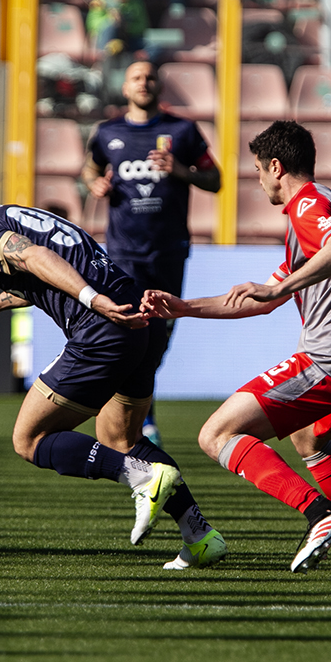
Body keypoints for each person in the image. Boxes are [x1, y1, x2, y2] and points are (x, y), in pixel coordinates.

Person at [0, 185, 227, 570]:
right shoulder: (3, 214)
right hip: (137, 318)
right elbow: (44, 269)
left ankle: (142, 478)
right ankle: (199, 536)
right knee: (121, 438)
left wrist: (92, 300)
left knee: (28, 439)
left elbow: (37, 257)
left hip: (101, 326)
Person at [141, 120, 331, 574]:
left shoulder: (307, 205)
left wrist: (282, 286)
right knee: (309, 436)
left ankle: (319, 513)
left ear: (276, 167)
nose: (259, 180)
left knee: (215, 435)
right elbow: (262, 299)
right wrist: (183, 308)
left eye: (259, 170)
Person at [82, 60, 221, 446]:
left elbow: (215, 180)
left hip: (169, 252)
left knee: (159, 340)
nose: (143, 82)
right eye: (136, 77)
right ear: (125, 88)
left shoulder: (182, 131)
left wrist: (181, 171)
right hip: (124, 254)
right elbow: (90, 169)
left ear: (159, 86)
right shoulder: (108, 132)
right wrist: (95, 184)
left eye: (150, 77)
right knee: (133, 336)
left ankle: (139, 415)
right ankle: (142, 423)